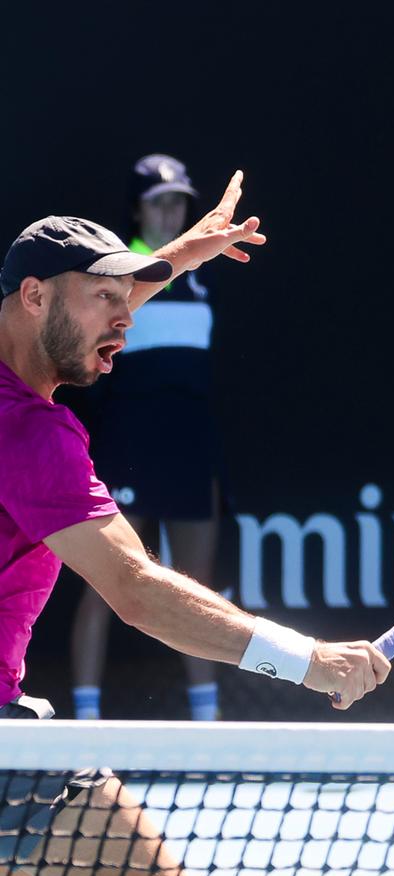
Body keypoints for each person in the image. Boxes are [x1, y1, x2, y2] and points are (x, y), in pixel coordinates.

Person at [0, 177, 391, 876]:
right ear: (35, 298)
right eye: (103, 301)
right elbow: (137, 590)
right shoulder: (34, 440)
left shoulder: (25, 351)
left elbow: (110, 290)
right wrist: (302, 659)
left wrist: (178, 259)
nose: (125, 321)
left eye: (135, 301)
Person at [71, 154, 226, 722]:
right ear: (138, 208)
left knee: (196, 587)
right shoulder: (118, 280)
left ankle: (206, 729)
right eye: (160, 202)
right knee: (108, 584)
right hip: (128, 453)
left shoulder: (203, 284)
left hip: (189, 450)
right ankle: (85, 726)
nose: (170, 212)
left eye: (178, 202)